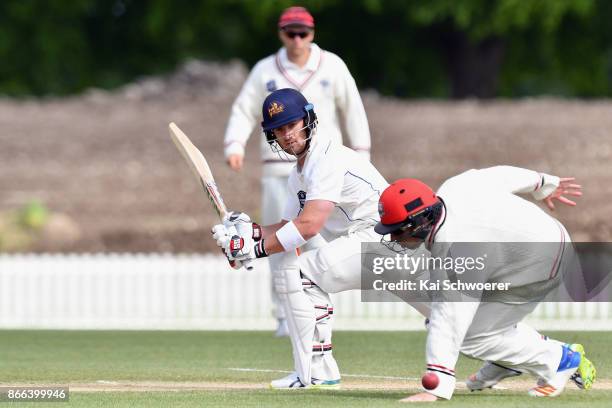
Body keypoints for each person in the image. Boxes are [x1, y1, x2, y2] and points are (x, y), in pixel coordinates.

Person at [213, 88, 421, 389]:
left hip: (387, 240)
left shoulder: (326, 157)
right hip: (373, 244)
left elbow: (308, 226)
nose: (287, 135)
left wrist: (253, 250)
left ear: (308, 120)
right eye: (279, 130)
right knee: (452, 318)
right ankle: (319, 370)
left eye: (292, 125)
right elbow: (287, 226)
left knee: (302, 273)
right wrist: (245, 234)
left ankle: (317, 371)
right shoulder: (300, 171)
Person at [374, 168, 596, 402]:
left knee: (471, 337)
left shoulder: (457, 251)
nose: (392, 238)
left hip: (541, 264)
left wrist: (436, 385)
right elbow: (503, 174)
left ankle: (559, 359)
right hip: (536, 241)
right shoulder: (454, 187)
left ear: (420, 223)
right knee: (479, 325)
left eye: (398, 230)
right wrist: (544, 183)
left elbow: (449, 320)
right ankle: (506, 363)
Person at [222, 6, 372, 336]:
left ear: (312, 33)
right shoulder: (264, 69)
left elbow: (354, 110)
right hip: (283, 170)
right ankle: (284, 315)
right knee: (287, 239)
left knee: (319, 242)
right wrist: (234, 144)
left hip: (329, 168)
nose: (297, 39)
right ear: (281, 34)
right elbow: (244, 109)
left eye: (302, 33)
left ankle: (317, 311)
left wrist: (362, 155)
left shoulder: (332, 65)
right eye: (291, 33)